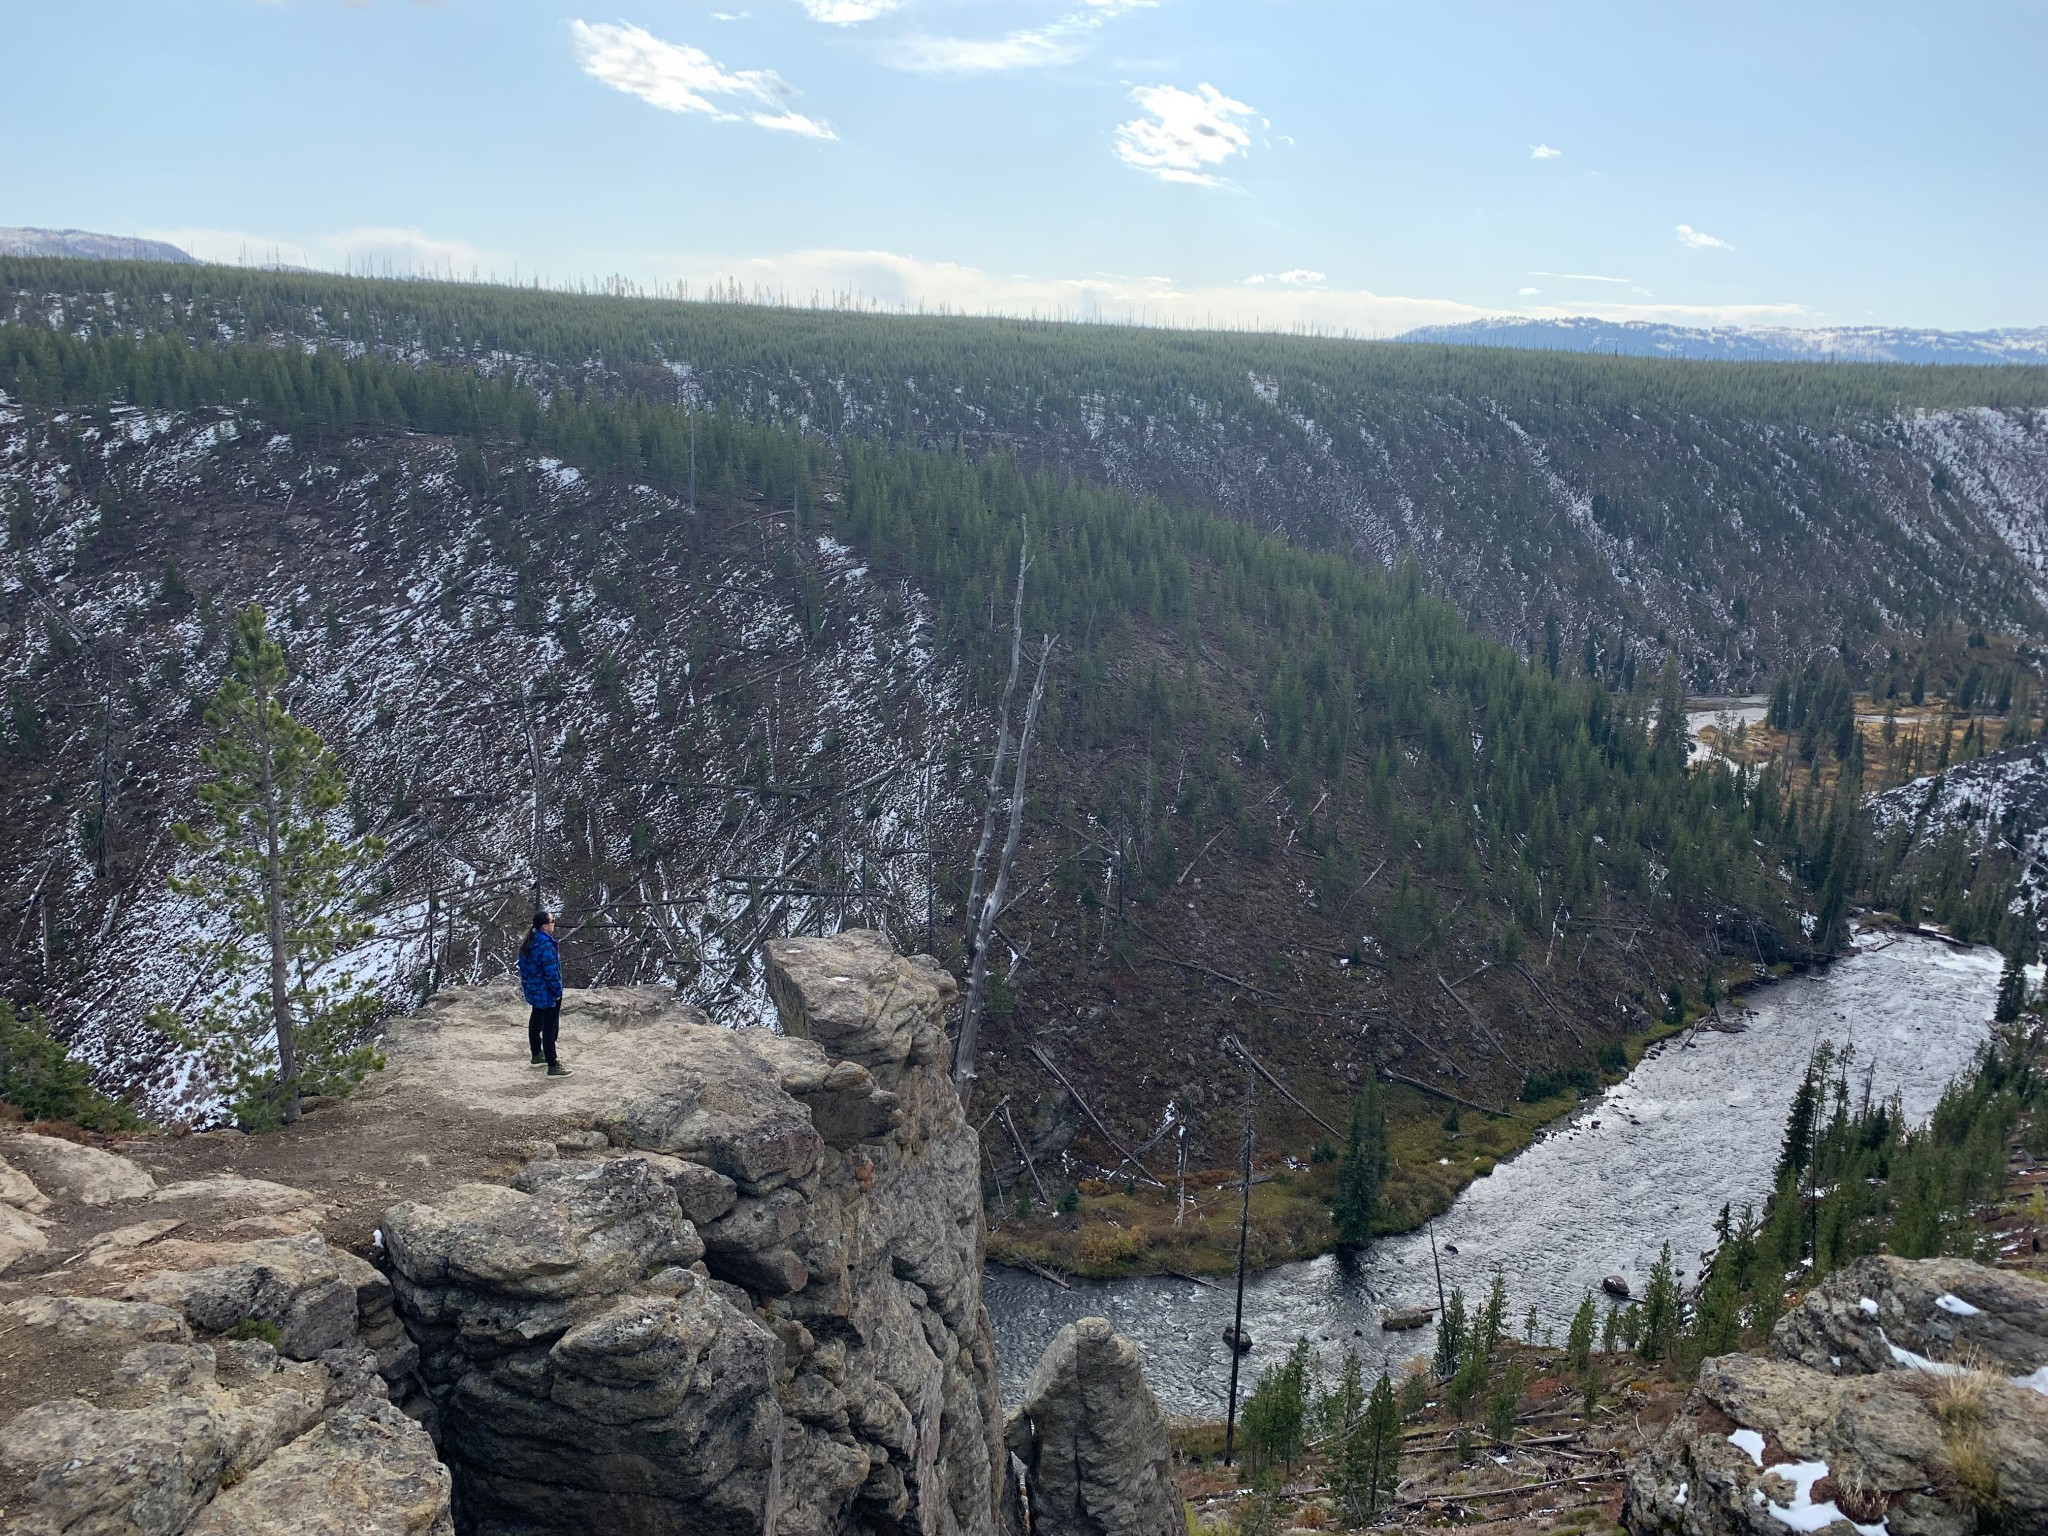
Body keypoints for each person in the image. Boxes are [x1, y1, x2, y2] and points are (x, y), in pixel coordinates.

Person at [517, 911, 571, 1077]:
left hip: (535, 990)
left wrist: (529, 985)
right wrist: (557, 992)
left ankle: (536, 1055)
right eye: (552, 921)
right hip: (547, 992)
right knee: (549, 1027)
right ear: (545, 926)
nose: (554, 924)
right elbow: (551, 972)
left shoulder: (530, 941)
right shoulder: (546, 945)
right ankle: (553, 1065)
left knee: (536, 1021)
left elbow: (523, 968)